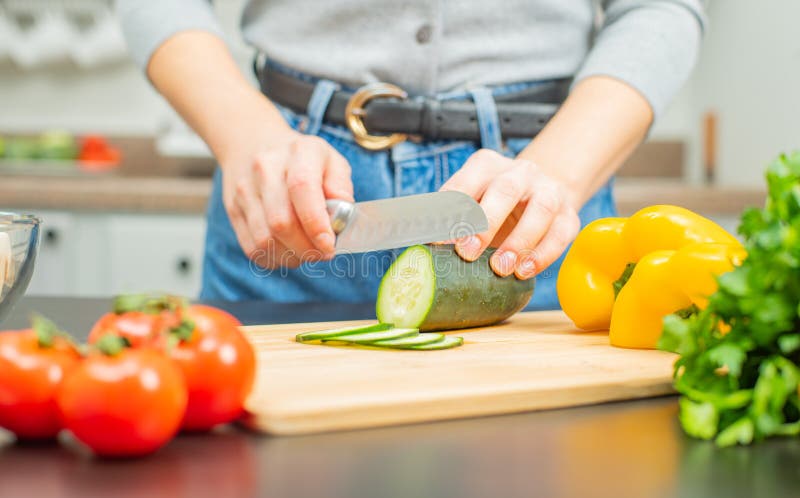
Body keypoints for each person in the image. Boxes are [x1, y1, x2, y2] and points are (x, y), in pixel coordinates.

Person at [117, 0, 705, 309]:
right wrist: (244, 133)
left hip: (532, 201)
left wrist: (560, 172)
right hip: (292, 187)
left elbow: (661, 6)